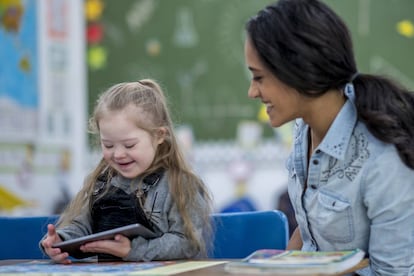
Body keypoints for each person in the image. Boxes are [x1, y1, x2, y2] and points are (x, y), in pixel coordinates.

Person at [244, 0, 414, 275]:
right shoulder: (304, 131)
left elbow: (392, 272)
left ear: (296, 70)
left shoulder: (382, 159)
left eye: (259, 77)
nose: (252, 91)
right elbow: (312, 232)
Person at [40, 79, 213, 264]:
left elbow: (187, 243)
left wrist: (134, 250)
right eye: (108, 145)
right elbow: (82, 227)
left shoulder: (180, 184)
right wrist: (62, 241)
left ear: (159, 135)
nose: (119, 154)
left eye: (129, 145)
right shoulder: (100, 182)